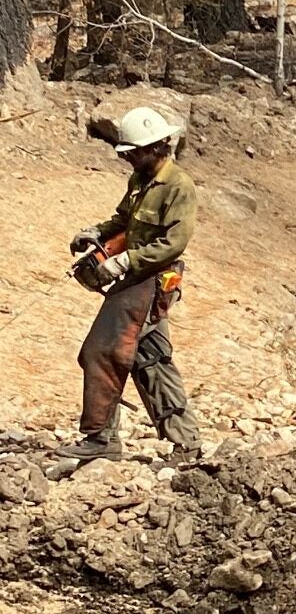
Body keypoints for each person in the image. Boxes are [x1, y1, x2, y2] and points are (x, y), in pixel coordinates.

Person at [53, 105, 203, 472]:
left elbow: (173, 242)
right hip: (134, 281)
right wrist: (97, 234)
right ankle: (184, 442)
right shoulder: (139, 180)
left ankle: (101, 440)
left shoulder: (179, 186)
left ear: (156, 147)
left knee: (102, 350)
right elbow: (124, 218)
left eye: (133, 152)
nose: (129, 158)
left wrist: (124, 261)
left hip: (151, 280)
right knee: (148, 360)